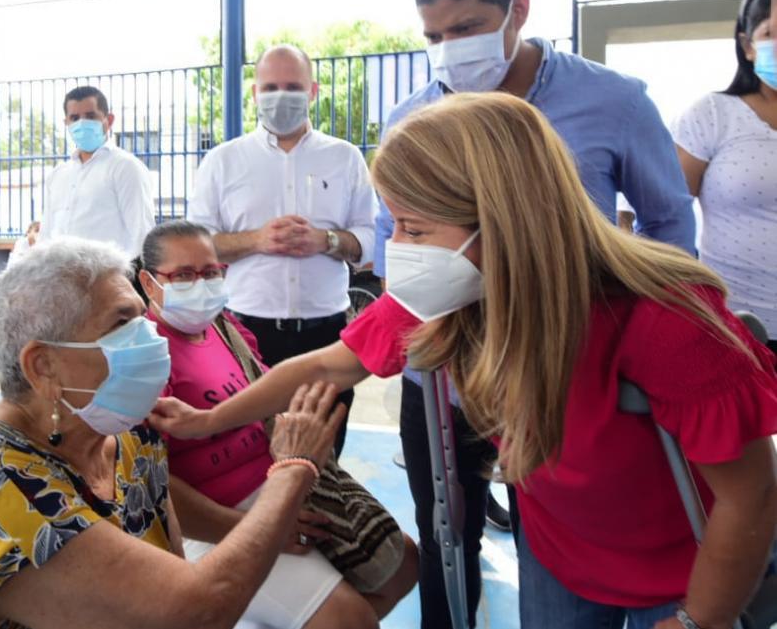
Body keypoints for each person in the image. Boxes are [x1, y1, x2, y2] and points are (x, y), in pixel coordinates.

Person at [152, 93, 777, 629]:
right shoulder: (455, 293)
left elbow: (750, 497)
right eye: (395, 226)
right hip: (558, 554)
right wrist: (208, 422)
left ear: (505, 222)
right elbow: (326, 367)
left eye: (416, 230)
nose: (398, 250)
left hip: (684, 569)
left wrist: (703, 618)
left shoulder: (666, 317)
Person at [364, 0, 698, 625]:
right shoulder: (411, 121)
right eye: (433, 35)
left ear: (518, 10)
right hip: (448, 372)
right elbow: (389, 239)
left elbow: (668, 221)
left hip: (570, 373)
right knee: (443, 529)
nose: (449, 48)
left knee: (562, 526)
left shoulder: (612, 101)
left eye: (466, 28)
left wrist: (640, 332)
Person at [0, 237, 346, 629]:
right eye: (122, 324)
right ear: (43, 365)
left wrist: (247, 523)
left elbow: (165, 539)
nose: (152, 337)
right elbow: (197, 613)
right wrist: (291, 471)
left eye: (143, 318)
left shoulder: (124, 432)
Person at [139, 220, 417, 629]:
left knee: (404, 565)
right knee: (349, 620)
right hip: (223, 518)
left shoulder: (224, 329)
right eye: (183, 276)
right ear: (149, 282)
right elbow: (151, 484)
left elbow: (283, 389)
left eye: (212, 272)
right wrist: (257, 526)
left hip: (288, 483)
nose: (201, 285)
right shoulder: (148, 358)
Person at [188, 43, 376, 458]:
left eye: (293, 86)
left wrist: (327, 241)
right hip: (246, 334)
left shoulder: (344, 158)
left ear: (313, 91)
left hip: (325, 336)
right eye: (270, 86)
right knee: (251, 453)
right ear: (254, 93)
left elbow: (368, 240)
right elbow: (199, 245)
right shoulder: (223, 161)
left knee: (323, 457)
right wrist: (256, 240)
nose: (281, 96)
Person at [673, 0, 777, 355]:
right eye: (772, 34)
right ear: (748, 45)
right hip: (736, 329)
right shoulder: (712, 115)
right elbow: (666, 213)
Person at [39, 86, 155, 257]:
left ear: (108, 120)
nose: (82, 123)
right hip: (60, 277)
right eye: (75, 118)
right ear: (67, 123)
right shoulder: (58, 175)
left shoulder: (125, 167)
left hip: (107, 277)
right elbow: (46, 236)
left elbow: (142, 232)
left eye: (91, 116)